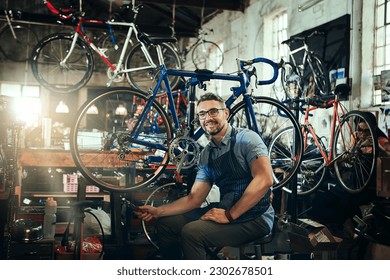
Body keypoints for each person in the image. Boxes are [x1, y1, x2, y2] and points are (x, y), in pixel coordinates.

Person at [135, 92, 274, 260]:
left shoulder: (246, 139)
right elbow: (194, 199)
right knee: (167, 224)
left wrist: (230, 215)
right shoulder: (207, 154)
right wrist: (158, 211)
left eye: (213, 111)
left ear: (226, 113)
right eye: (202, 114)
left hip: (256, 217)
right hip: (228, 207)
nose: (208, 118)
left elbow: (264, 179)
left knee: (192, 233)